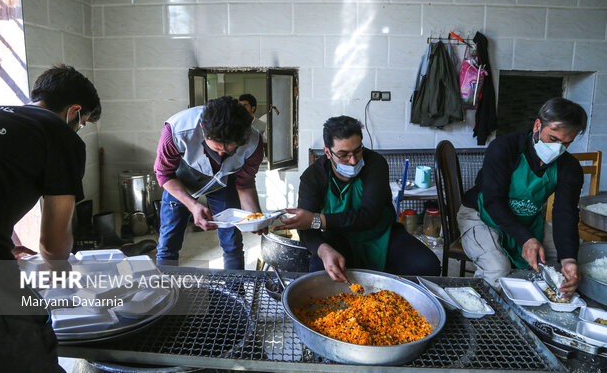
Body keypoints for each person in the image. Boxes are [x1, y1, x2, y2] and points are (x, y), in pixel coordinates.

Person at [0, 65, 101, 371]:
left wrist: (7, 242)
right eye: (83, 123)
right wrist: (62, 278)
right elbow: (53, 243)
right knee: (27, 345)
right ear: (74, 111)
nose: (79, 130)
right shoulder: (60, 135)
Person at [276, 116, 440, 281]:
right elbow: (306, 226)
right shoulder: (313, 177)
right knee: (321, 274)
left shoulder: (376, 164)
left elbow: (368, 215)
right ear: (328, 152)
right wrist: (323, 249)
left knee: (427, 265)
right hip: (339, 238)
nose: (353, 160)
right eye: (343, 155)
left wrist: (317, 219)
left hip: (382, 235)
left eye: (357, 151)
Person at [459, 98, 587, 296]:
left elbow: (565, 212)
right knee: (497, 270)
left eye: (566, 143)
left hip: (526, 219)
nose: (558, 148)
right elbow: (493, 201)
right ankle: (484, 317)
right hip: (481, 214)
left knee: (567, 264)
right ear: (538, 125)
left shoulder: (569, 168)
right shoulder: (504, 148)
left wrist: (568, 258)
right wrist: (525, 238)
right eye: (553, 139)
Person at [154, 96, 265, 268]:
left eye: (230, 150)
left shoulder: (253, 143)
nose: (221, 155)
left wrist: (256, 217)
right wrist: (192, 205)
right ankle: (165, 292)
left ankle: (235, 292)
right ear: (202, 129)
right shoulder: (176, 130)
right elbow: (164, 174)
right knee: (168, 243)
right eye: (217, 148)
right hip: (180, 181)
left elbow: (245, 183)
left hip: (223, 181)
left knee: (232, 243)